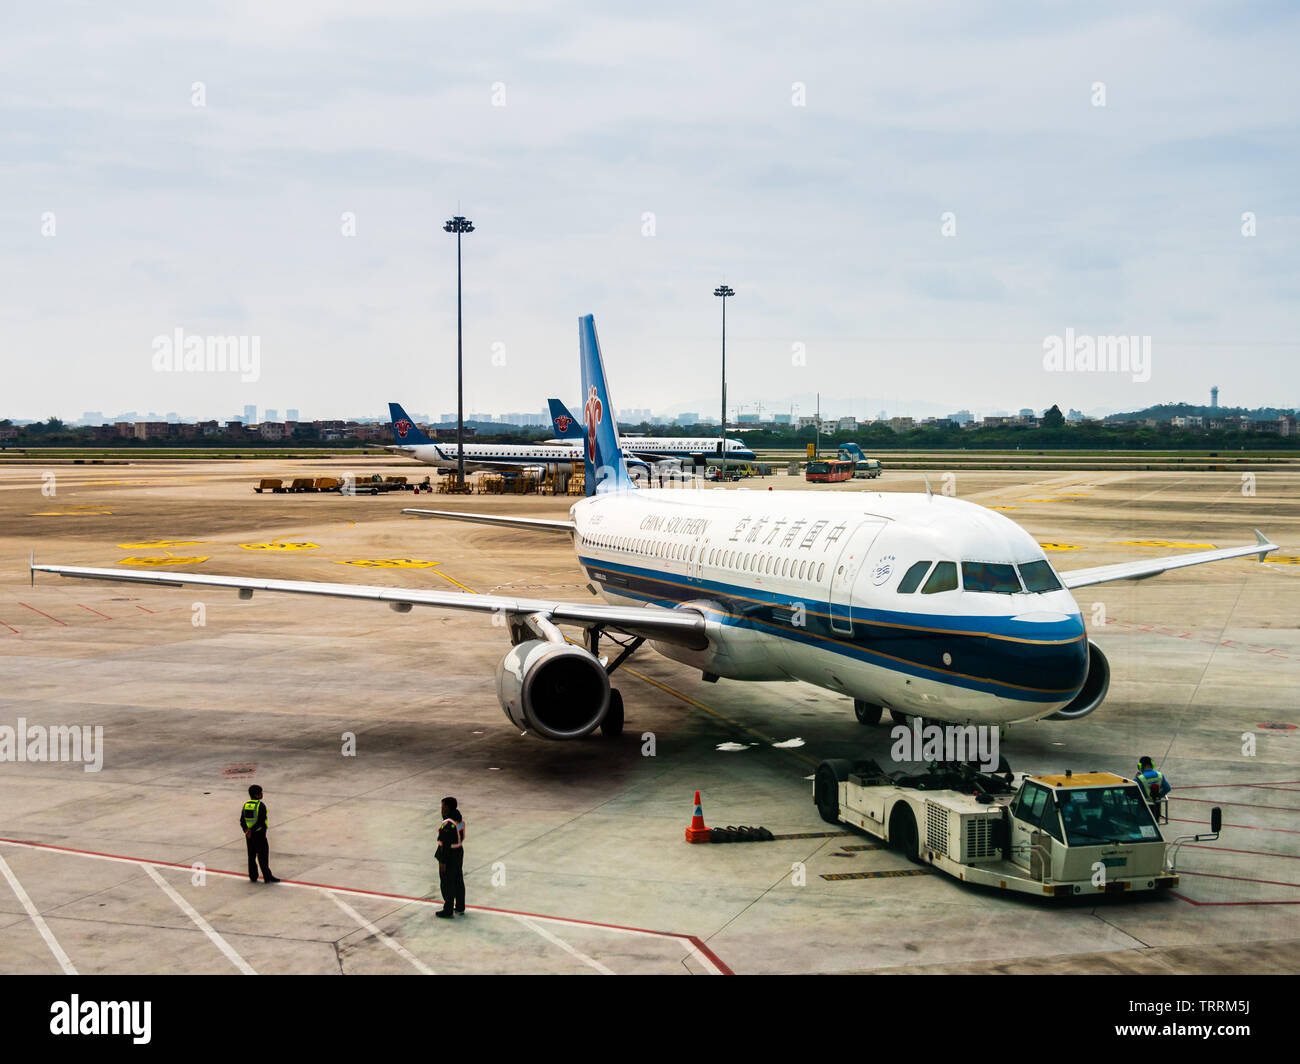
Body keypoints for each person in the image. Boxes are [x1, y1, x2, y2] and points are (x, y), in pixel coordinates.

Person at [239, 784, 280, 883]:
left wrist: (246, 830)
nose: (262, 794)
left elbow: (242, 820)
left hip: (249, 836)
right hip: (259, 835)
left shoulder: (246, 805)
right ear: (256, 795)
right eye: (261, 793)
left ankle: (253, 876)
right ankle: (267, 876)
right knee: (263, 856)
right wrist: (252, 830)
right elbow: (260, 821)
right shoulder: (260, 805)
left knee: (251, 855)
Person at [434, 796, 466, 918]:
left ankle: (448, 909)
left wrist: (443, 861)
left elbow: (445, 844)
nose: (441, 809)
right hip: (458, 851)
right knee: (458, 879)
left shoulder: (447, 824)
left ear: (448, 808)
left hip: (449, 854)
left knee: (447, 882)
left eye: (443, 807)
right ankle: (460, 906)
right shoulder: (458, 819)